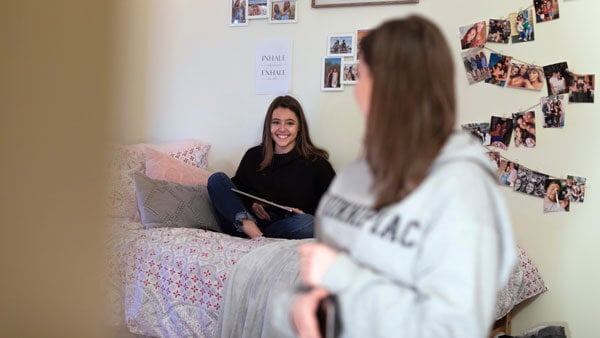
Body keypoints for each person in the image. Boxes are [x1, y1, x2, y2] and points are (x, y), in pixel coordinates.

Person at [269, 15, 516, 338]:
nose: (357, 93)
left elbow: (454, 328)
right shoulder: (354, 177)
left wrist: (345, 279)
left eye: (363, 77)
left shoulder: (463, 189)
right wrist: (295, 312)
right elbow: (316, 278)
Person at [207, 95, 335, 240]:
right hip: (248, 221)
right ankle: (255, 233)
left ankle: (260, 238)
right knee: (217, 179)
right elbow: (237, 191)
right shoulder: (253, 155)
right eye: (276, 122)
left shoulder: (317, 163)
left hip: (285, 226)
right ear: (269, 126)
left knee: (309, 223)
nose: (282, 129)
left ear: (299, 128)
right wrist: (253, 203)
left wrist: (303, 213)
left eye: (290, 123)